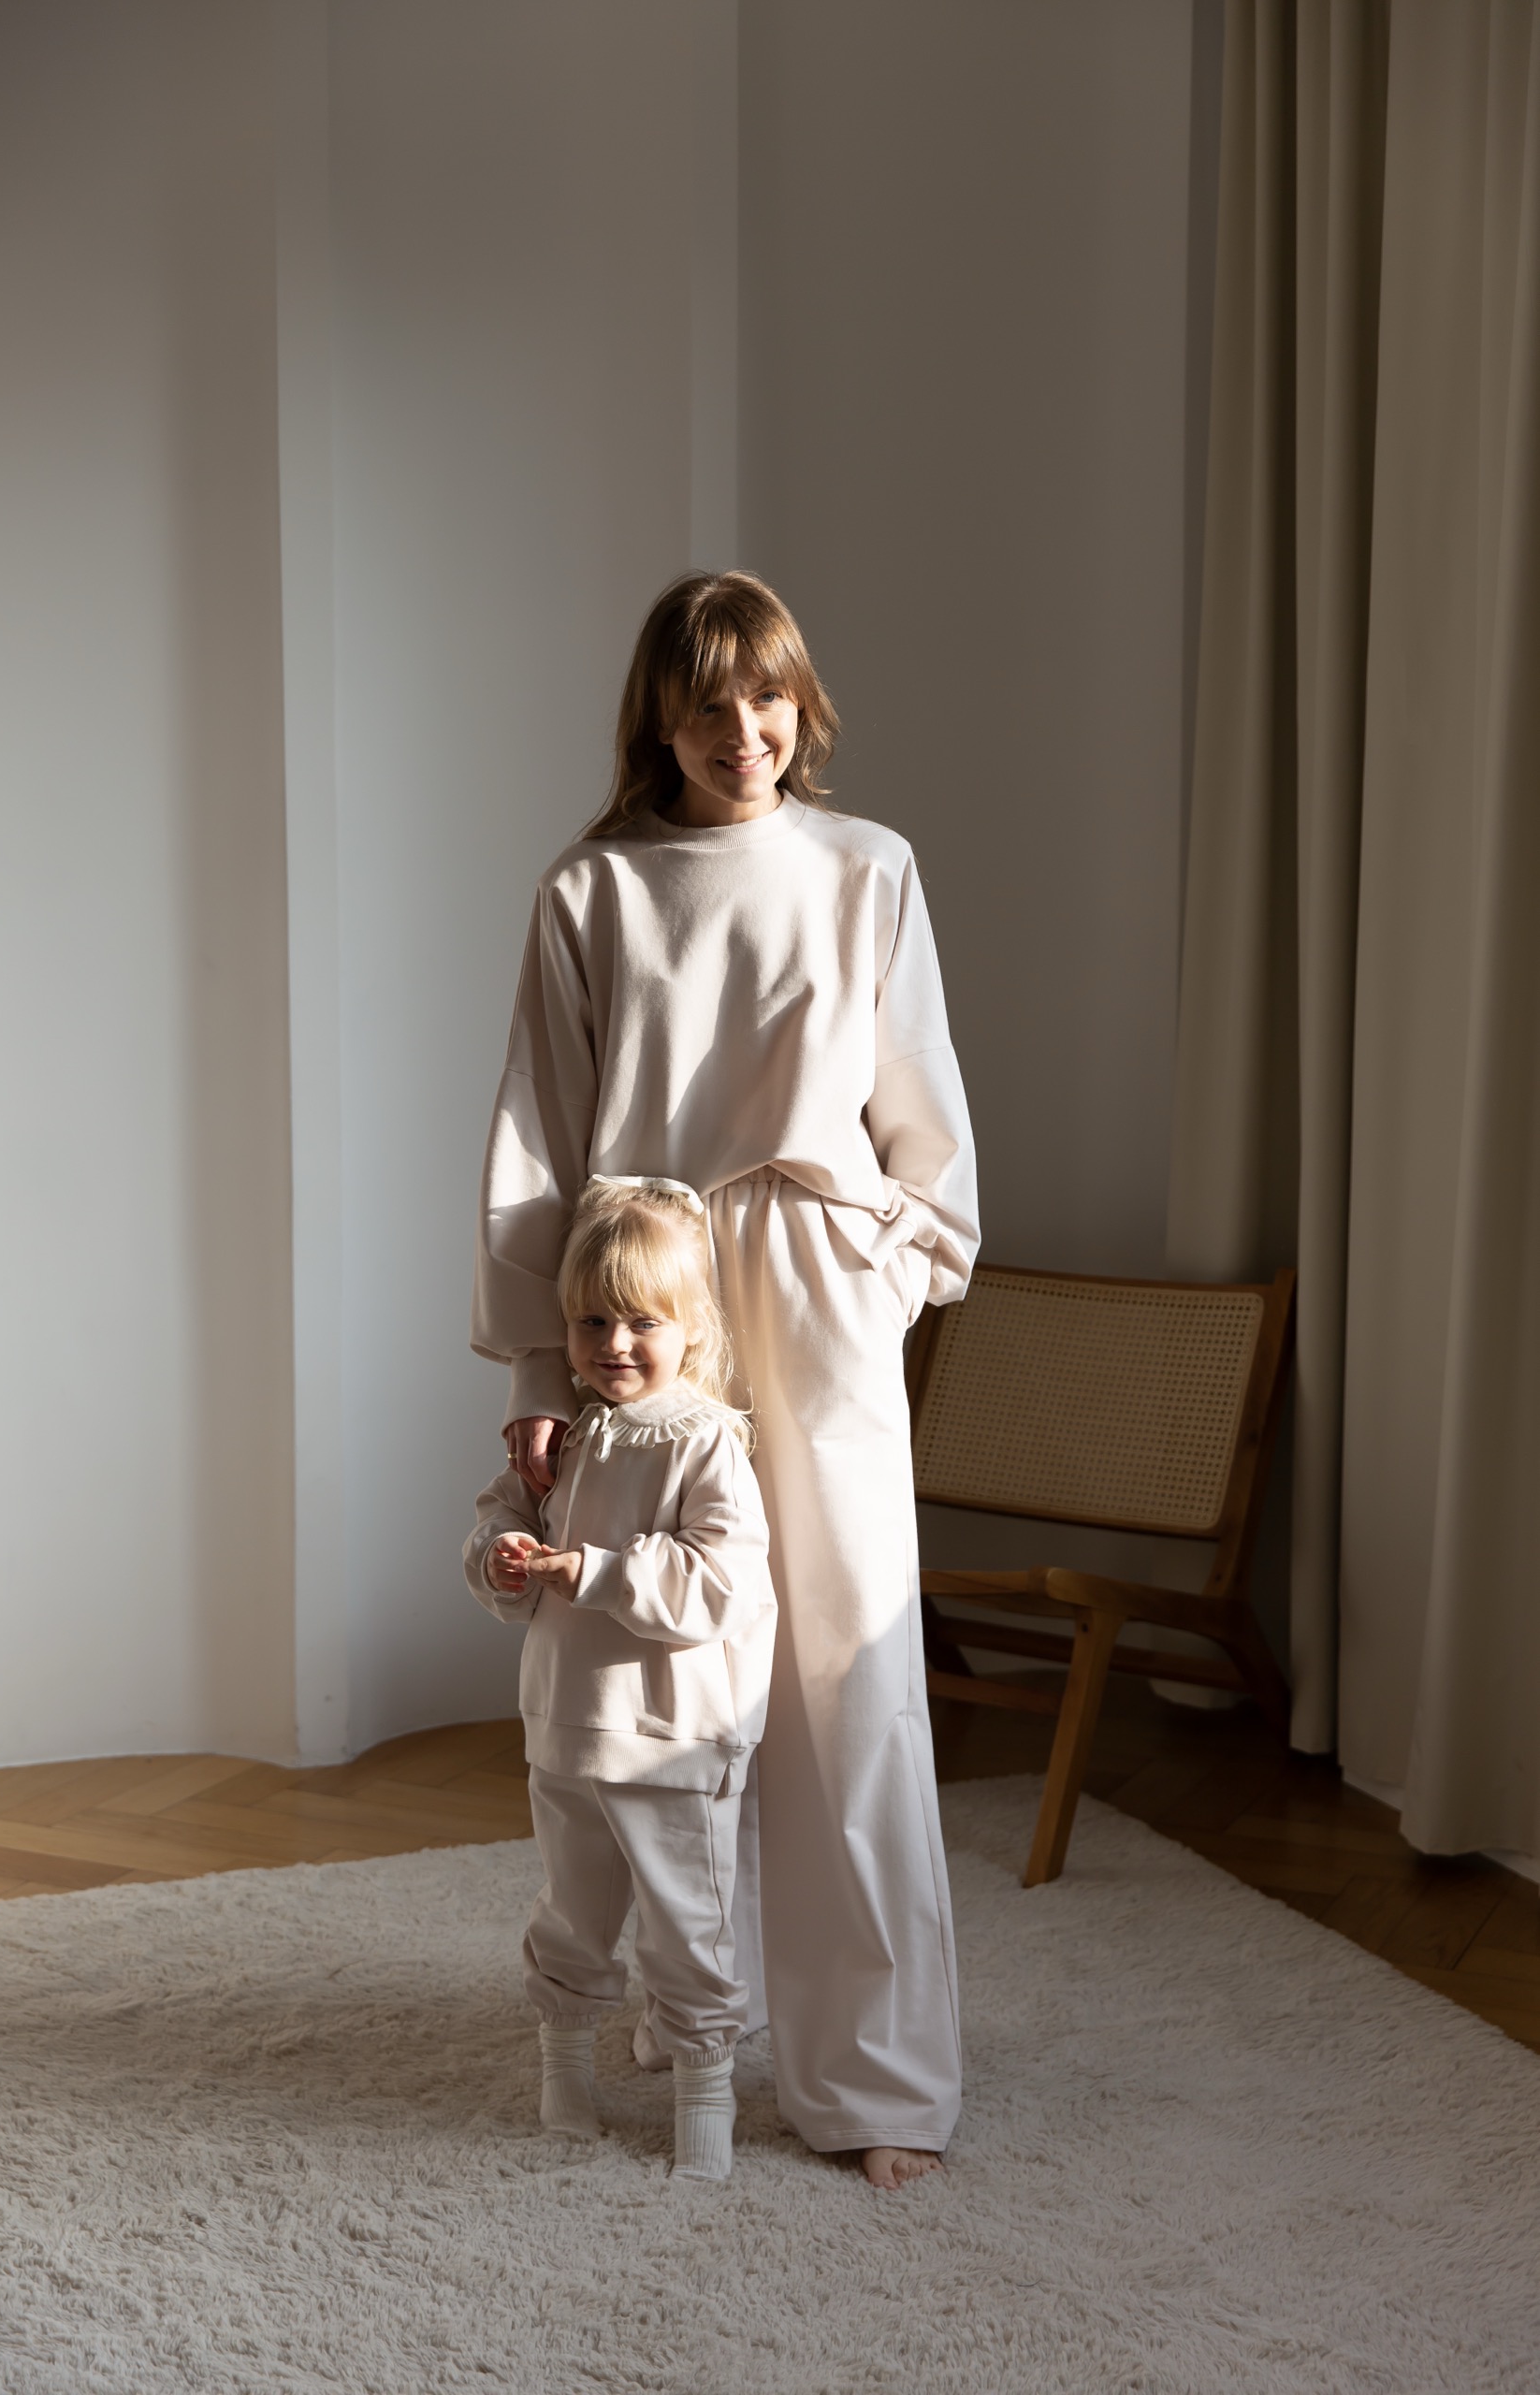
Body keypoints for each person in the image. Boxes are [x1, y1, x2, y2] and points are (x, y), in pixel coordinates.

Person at [472, 571, 979, 2190]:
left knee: (847, 1679)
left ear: (799, 705)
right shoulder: (591, 889)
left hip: (814, 1290)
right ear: (658, 719)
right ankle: (682, 1997)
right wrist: (543, 1359)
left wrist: (883, 1268)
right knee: (660, 1662)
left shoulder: (866, 865)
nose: (739, 730)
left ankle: (875, 2082)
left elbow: (924, 1120)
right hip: (641, 1303)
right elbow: (538, 1139)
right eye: (704, 703)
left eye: (765, 696)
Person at [464, 1174, 776, 2183]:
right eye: (592, 1321)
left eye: (644, 1321)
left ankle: (704, 2100)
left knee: (688, 1924)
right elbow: (498, 1515)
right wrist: (503, 1556)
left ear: (690, 1327)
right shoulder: (566, 1435)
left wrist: (593, 1572)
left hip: (671, 1737)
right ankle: (565, 2070)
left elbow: (721, 1583)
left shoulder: (705, 1439)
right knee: (572, 1913)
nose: (615, 1343)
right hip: (565, 1723)